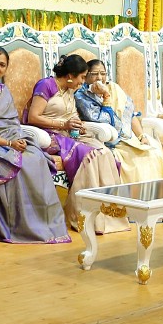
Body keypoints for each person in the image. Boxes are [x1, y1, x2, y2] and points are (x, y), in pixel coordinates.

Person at [0, 46, 70, 243]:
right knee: (18, 161)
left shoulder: (4, 91)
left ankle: (45, 223)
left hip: (11, 137)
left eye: (2, 64)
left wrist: (16, 139)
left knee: (35, 156)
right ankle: (14, 225)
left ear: (6, 69)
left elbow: (12, 122)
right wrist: (8, 142)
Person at [26, 54, 128, 233]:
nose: (83, 81)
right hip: (49, 135)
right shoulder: (46, 85)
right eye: (82, 77)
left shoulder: (69, 89)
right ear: (70, 76)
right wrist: (63, 125)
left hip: (69, 134)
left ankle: (107, 216)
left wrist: (77, 125)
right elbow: (33, 117)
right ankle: (83, 216)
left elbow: (70, 115)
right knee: (92, 155)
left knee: (105, 153)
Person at [76, 58, 163, 183]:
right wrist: (106, 96)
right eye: (94, 74)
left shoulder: (114, 89)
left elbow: (130, 115)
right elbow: (105, 121)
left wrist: (142, 136)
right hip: (107, 141)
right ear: (86, 76)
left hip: (128, 139)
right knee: (135, 163)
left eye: (103, 73)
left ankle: (155, 196)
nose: (99, 78)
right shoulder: (82, 95)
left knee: (153, 154)